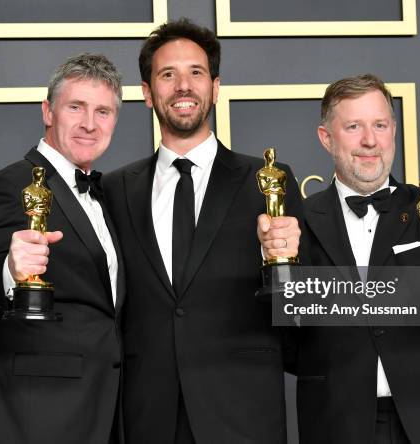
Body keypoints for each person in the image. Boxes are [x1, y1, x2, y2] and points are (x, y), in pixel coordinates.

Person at [102, 18, 302, 444]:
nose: (183, 86)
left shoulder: (267, 179)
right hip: (147, 414)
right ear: (146, 92)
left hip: (244, 413)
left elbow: (304, 308)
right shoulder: (114, 189)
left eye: (195, 73)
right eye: (167, 74)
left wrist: (291, 263)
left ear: (215, 87)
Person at [275, 74, 420, 443]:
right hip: (337, 420)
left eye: (379, 125)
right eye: (353, 126)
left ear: (393, 129)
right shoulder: (296, 222)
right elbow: (283, 333)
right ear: (326, 138)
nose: (369, 140)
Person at [0, 53, 125, 443]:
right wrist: (8, 271)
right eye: (75, 107)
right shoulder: (9, 187)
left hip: (106, 414)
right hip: (37, 418)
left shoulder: (107, 196)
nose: (89, 124)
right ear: (48, 111)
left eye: (103, 111)